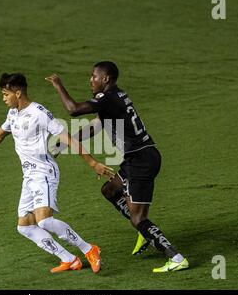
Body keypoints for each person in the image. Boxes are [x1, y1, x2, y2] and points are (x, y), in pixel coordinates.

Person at [46, 62, 189, 272]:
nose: (90, 80)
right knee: (110, 190)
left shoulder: (108, 98)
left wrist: (58, 85)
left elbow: (73, 110)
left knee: (138, 218)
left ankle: (176, 257)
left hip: (140, 161)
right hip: (137, 158)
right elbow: (95, 126)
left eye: (94, 76)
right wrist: (66, 142)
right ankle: (145, 231)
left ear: (106, 79)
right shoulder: (116, 97)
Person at [0, 73, 114, 274]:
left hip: (44, 172)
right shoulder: (13, 114)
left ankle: (89, 249)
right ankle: (68, 259)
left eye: (5, 94)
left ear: (18, 93)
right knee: (25, 227)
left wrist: (92, 163)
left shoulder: (39, 113)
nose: (3, 98)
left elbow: (68, 139)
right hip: (29, 177)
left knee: (44, 221)